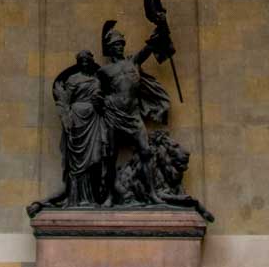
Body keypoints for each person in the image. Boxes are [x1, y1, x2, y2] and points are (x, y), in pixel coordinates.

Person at [98, 16, 171, 205]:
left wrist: (161, 27)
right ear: (110, 48)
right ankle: (110, 195)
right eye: (116, 45)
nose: (120, 47)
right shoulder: (104, 72)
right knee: (110, 156)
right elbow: (95, 92)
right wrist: (102, 102)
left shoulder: (133, 61)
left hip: (133, 115)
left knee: (146, 151)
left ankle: (153, 193)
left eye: (121, 44)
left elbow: (149, 48)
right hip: (113, 115)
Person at [27, 50, 108, 214]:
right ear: (79, 63)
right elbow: (65, 101)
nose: (85, 63)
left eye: (87, 60)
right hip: (77, 121)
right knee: (77, 163)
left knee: (96, 159)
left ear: (91, 62)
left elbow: (104, 100)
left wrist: (100, 103)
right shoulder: (73, 79)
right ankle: (79, 199)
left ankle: (91, 197)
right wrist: (67, 119)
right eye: (82, 61)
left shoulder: (97, 80)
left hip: (94, 120)